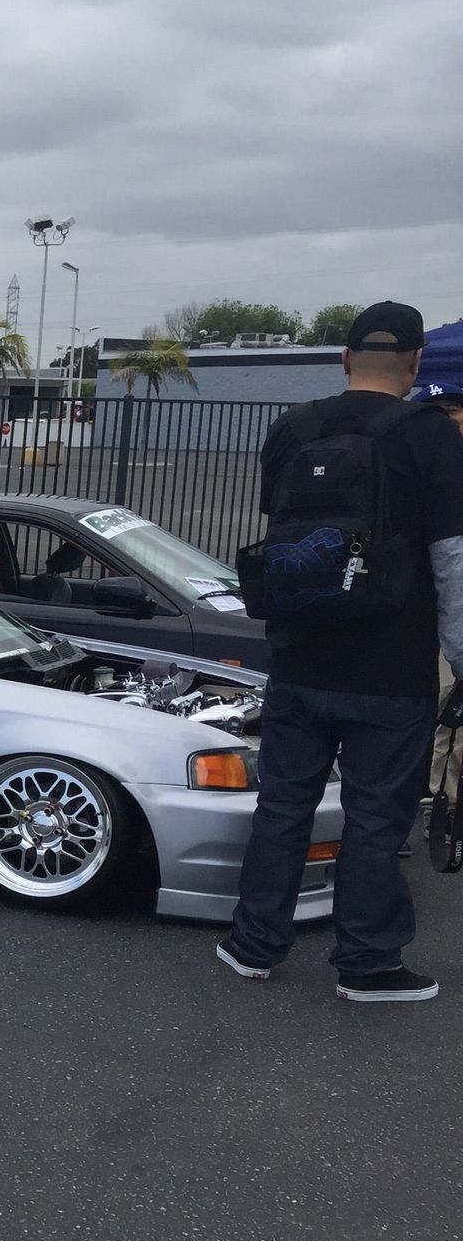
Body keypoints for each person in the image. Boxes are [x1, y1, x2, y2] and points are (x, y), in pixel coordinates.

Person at [219, 302, 463, 1002]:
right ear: (416, 363)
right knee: (376, 816)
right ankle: (368, 963)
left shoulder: (292, 429)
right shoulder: (430, 435)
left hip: (298, 658)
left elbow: (288, 541)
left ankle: (252, 944)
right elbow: (452, 561)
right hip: (390, 669)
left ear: (344, 358)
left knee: (283, 805)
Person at [414, 379, 463, 798]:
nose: (449, 422)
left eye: (454, 411)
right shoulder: (415, 470)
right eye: (439, 415)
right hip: (430, 612)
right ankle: (439, 801)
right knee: (445, 705)